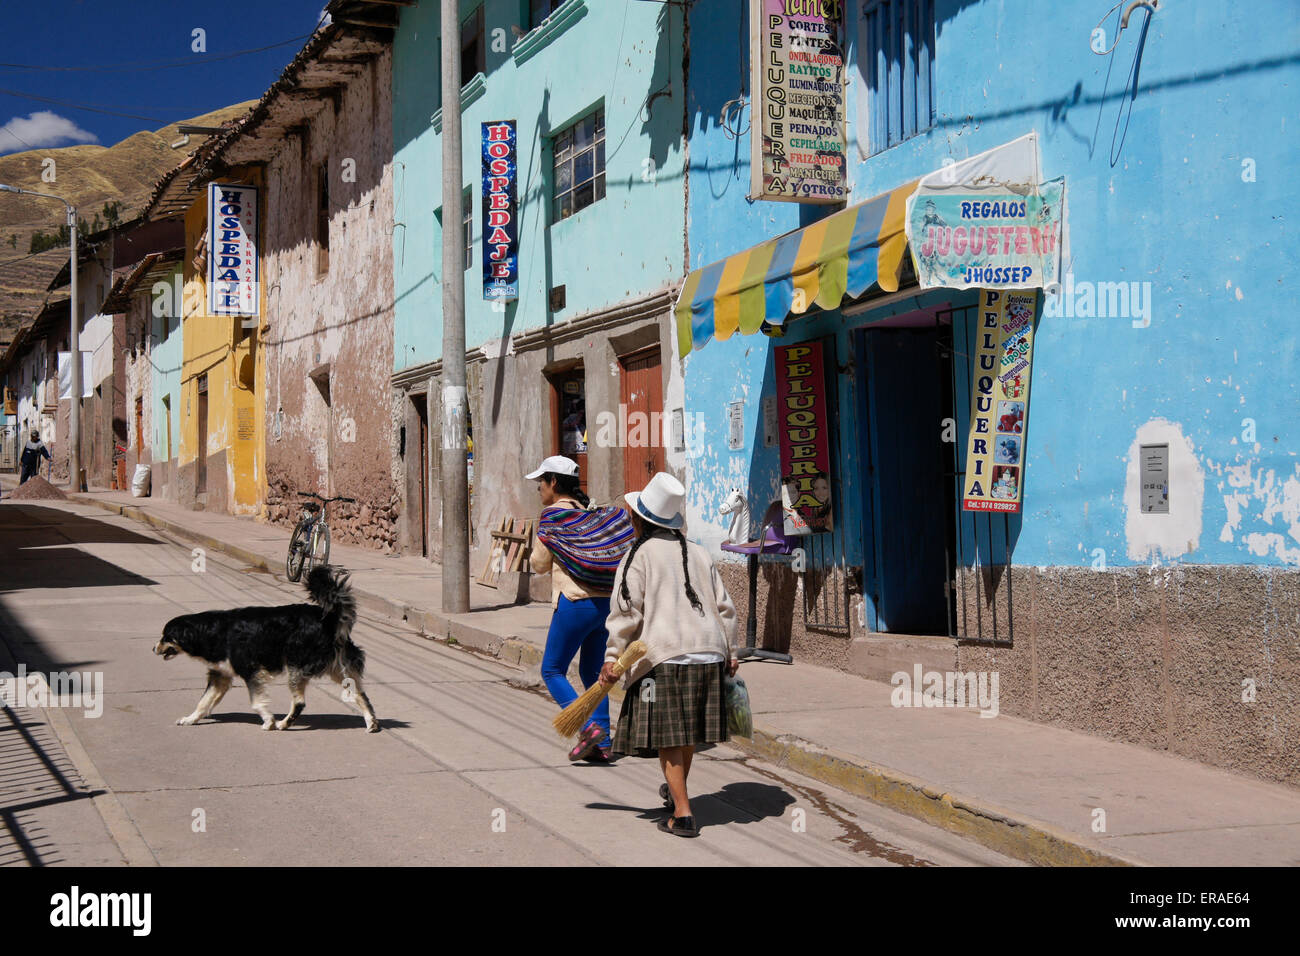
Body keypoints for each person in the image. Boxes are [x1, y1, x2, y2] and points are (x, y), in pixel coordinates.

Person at [601, 471, 739, 839]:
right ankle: (677, 793)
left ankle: (683, 813)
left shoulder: (638, 555)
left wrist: (612, 656)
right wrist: (731, 650)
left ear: (639, 519)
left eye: (632, 515)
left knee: (668, 736)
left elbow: (627, 611)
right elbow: (725, 608)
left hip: (665, 658)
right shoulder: (698, 552)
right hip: (708, 652)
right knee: (686, 732)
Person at [528, 455, 634, 762]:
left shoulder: (552, 517)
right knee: (592, 671)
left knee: (552, 669)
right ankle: (603, 742)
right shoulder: (592, 514)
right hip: (605, 604)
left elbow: (538, 564)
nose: (539, 490)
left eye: (541, 483)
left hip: (574, 603)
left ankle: (588, 729)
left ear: (554, 484)